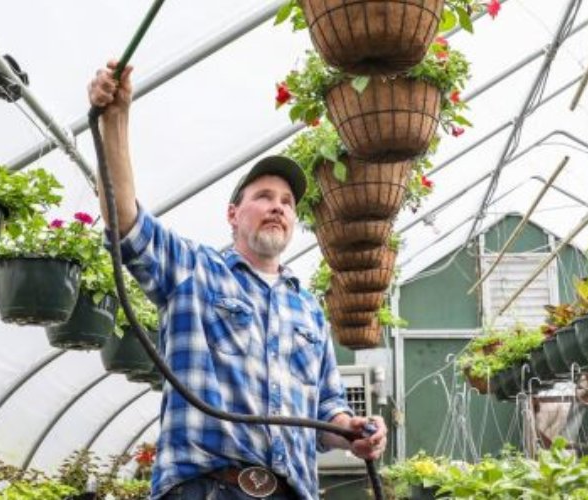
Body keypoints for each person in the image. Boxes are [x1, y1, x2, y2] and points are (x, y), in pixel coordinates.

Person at [88, 60, 388, 500]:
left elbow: (327, 408)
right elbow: (126, 222)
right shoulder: (193, 271)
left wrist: (352, 431)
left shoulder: (308, 310)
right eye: (264, 196)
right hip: (206, 487)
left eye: (287, 202)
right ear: (233, 214)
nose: (278, 206)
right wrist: (115, 120)